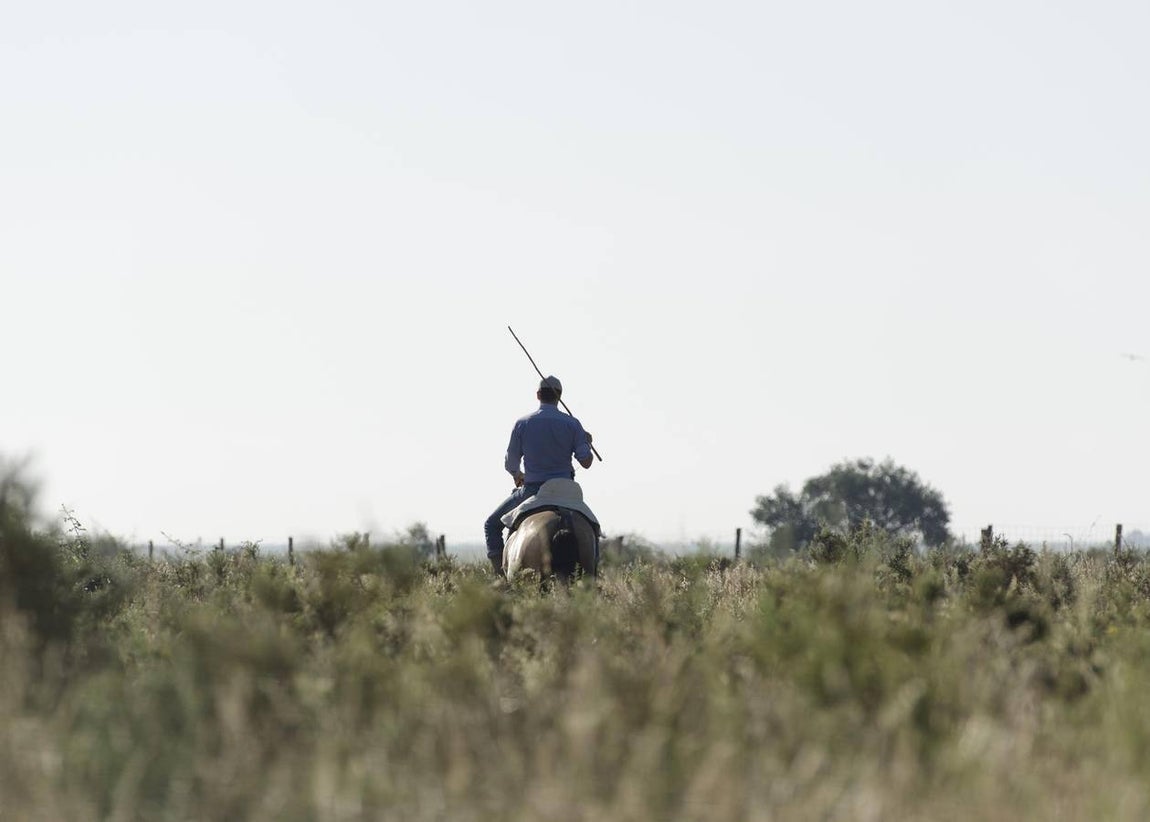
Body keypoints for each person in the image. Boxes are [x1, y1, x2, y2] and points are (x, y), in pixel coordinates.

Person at [485, 375, 594, 575]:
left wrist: (518, 475)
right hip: (567, 491)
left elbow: (511, 463)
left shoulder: (522, 423)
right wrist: (587, 441)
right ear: (559, 397)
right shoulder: (572, 424)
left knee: (491, 525)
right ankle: (593, 574)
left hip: (532, 490)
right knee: (594, 529)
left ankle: (500, 581)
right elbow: (586, 462)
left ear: (538, 395)